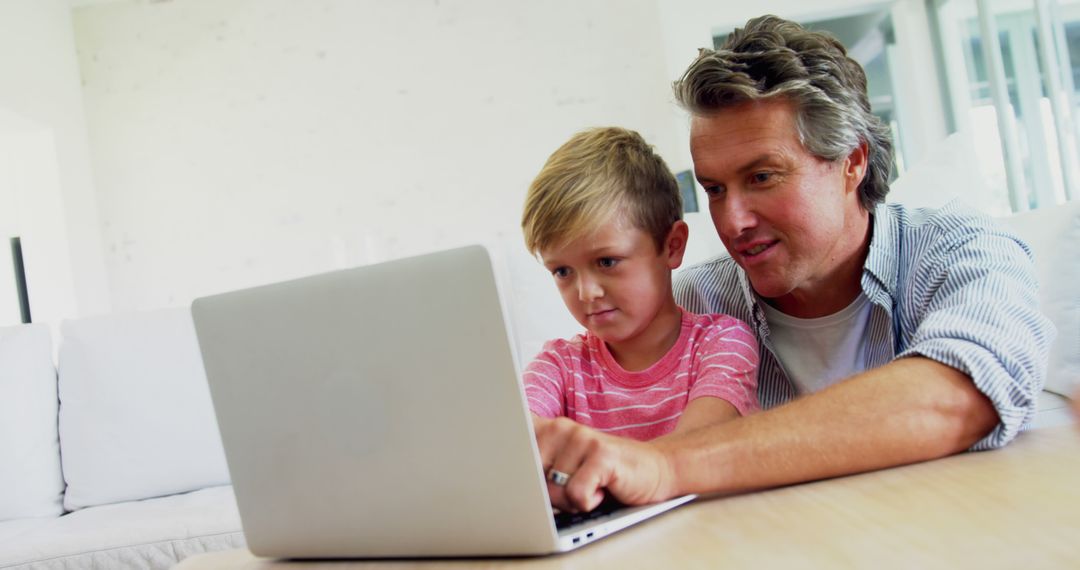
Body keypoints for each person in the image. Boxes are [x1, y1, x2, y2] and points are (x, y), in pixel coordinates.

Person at [535, 15, 1054, 513]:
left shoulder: (961, 250)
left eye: (762, 177)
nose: (732, 220)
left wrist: (663, 464)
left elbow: (960, 396)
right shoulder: (692, 305)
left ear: (852, 161)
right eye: (714, 189)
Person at [520, 127, 761, 453]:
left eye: (606, 262)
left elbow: (688, 452)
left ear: (672, 246)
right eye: (562, 271)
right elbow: (516, 446)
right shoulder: (558, 365)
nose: (586, 292)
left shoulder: (722, 345)